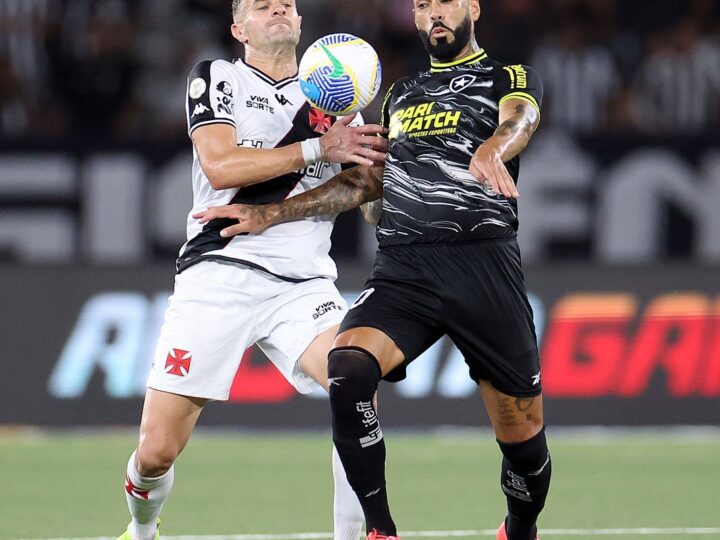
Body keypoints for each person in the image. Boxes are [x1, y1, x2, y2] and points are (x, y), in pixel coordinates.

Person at [194, 1, 551, 540]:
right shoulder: (401, 95)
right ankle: (379, 530)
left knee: (522, 437)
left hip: (483, 264)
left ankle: (519, 528)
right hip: (405, 270)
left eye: (445, 2)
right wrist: (271, 213)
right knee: (347, 367)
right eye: (423, 5)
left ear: (472, 7)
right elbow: (365, 184)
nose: (434, 13)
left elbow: (521, 117)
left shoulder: (507, 74)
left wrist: (494, 148)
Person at [117, 1, 388, 539]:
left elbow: (361, 189)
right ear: (239, 29)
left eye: (286, 3)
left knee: (357, 382)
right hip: (219, 271)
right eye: (262, 5)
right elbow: (220, 166)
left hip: (303, 284)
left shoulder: (338, 100)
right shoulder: (217, 77)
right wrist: (318, 146)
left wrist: (371, 178)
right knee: (156, 452)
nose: (278, 8)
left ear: (301, 24)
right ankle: (142, 531)